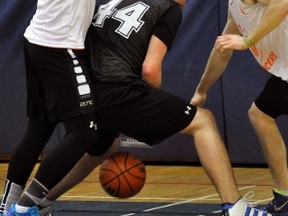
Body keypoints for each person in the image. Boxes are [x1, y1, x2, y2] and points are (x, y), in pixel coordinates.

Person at [8, 0, 273, 215]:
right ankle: (235, 206)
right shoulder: (170, 10)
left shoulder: (114, 1)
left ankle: (37, 201)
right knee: (203, 120)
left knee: (102, 144)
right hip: (119, 89)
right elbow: (150, 69)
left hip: (84, 83)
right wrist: (149, 107)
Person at [0, 0, 118, 215]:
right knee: (85, 133)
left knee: (39, 128)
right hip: (59, 47)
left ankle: (8, 206)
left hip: (39, 40)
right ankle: (25, 207)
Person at [191, 0, 288, 215]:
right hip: (284, 76)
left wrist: (247, 41)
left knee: (260, 115)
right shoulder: (234, 5)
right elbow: (223, 50)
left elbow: (282, 3)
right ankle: (284, 195)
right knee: (260, 115)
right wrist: (202, 89)